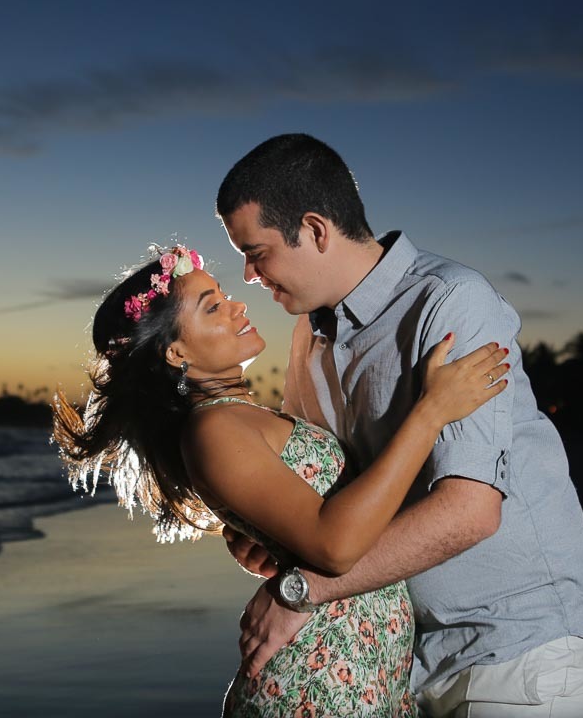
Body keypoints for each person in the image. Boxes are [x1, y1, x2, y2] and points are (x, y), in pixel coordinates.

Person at [215, 133, 583, 717]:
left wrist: (304, 589)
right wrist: (269, 536)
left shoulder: (451, 303)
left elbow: (471, 511)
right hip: (412, 661)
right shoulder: (309, 335)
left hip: (522, 642)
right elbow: (326, 494)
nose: (250, 274)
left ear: (314, 229)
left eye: (256, 252)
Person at [52, 242, 511, 717]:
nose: (238, 306)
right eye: (213, 307)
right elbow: (334, 544)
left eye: (224, 296)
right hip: (316, 687)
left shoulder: (239, 418)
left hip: (360, 675)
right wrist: (431, 412)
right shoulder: (214, 429)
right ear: (177, 351)